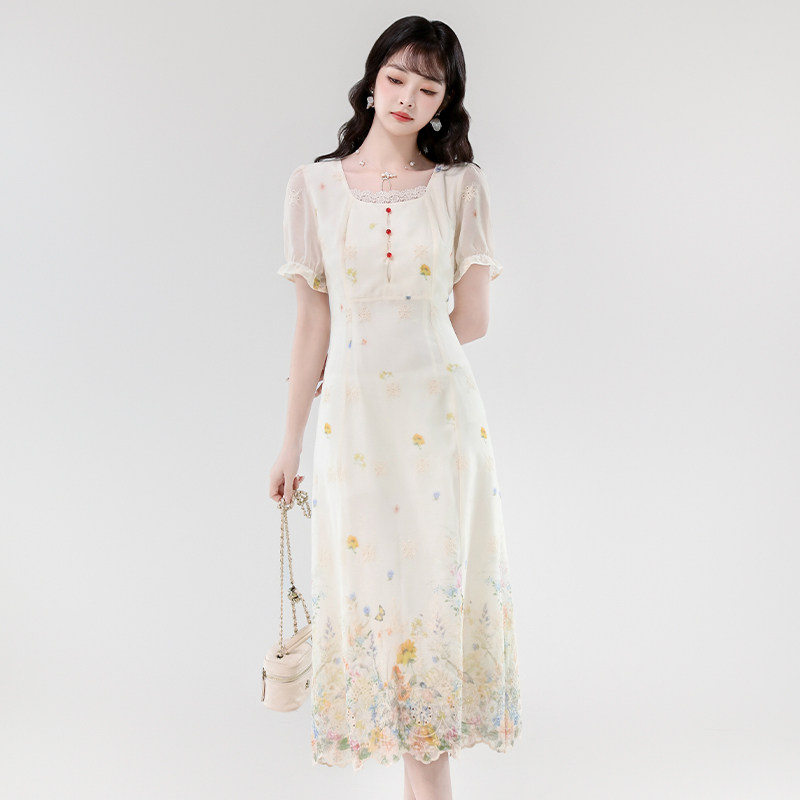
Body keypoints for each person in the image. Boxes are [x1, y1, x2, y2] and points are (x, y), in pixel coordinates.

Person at [268, 15, 522, 799]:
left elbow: (472, 319)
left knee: (430, 609)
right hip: (353, 430)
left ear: (446, 102)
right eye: (397, 77)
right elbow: (312, 323)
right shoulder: (314, 187)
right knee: (375, 604)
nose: (410, 96)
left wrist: (393, 353)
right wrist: (289, 442)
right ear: (372, 81)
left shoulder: (460, 187)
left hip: (440, 427)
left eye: (430, 86)